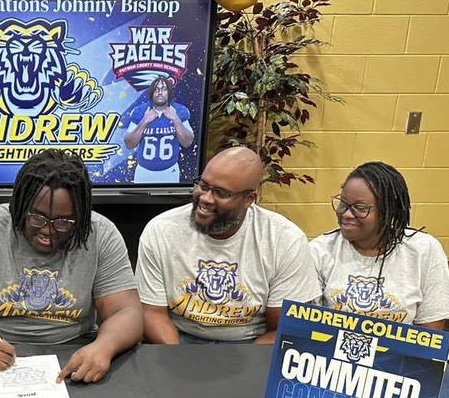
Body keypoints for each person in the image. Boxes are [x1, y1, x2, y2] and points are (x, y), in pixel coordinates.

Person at [0, 149, 142, 383]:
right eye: (37, 218)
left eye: (63, 222)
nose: (47, 230)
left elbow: (127, 312)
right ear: (18, 205)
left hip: (73, 352)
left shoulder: (100, 233)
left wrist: (104, 347)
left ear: (81, 216)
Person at [309, 160, 449, 398]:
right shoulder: (319, 251)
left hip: (406, 362)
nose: (346, 214)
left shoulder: (424, 250)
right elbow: (307, 328)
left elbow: (430, 335)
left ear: (389, 211)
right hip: (338, 365)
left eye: (359, 208)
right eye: (343, 203)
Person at [136, 146, 320, 345]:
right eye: (203, 185)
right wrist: (179, 362)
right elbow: (152, 313)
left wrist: (242, 372)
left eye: (221, 193)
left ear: (249, 199)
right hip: (178, 336)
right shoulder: (161, 229)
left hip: (251, 341)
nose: (205, 198)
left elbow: (282, 328)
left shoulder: (285, 240)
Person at [122, 76, 194, 184]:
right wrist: (144, 121)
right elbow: (129, 144)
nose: (160, 92)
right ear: (151, 93)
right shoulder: (140, 111)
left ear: (169, 92)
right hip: (143, 172)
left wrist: (175, 119)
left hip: (170, 171)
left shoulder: (179, 111)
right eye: (156, 89)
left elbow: (187, 142)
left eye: (164, 89)